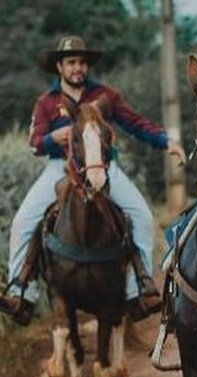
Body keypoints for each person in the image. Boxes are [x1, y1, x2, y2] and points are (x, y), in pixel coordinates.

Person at [0, 35, 185, 325]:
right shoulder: (47, 103)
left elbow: (134, 123)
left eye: (82, 62)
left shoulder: (105, 97)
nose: (78, 68)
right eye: (71, 62)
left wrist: (166, 141)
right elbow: (34, 144)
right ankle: (21, 292)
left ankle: (140, 292)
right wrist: (54, 137)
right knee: (24, 221)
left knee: (142, 215)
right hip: (60, 167)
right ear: (59, 67)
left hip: (102, 166)